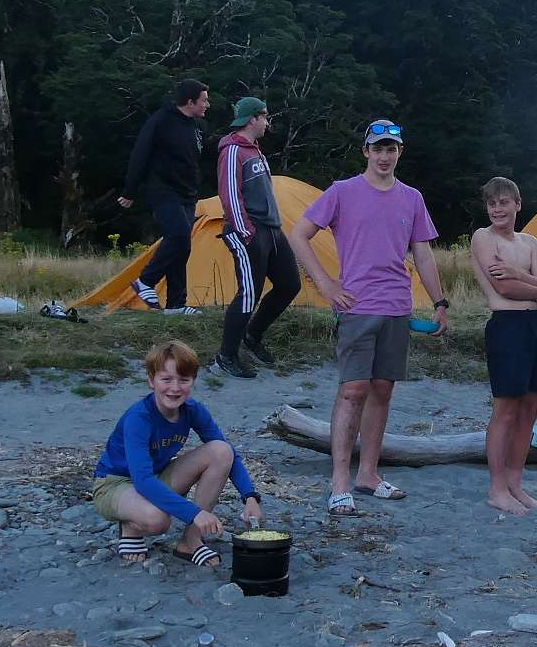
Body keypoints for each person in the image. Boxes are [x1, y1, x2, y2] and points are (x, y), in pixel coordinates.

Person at [290, 119, 447, 516]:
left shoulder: (412, 198)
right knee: (352, 390)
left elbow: (423, 253)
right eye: (378, 148)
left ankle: (369, 475)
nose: (384, 156)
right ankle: (339, 481)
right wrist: (325, 284)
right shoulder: (342, 191)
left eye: (391, 148)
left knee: (382, 390)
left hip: (397, 306)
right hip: (356, 307)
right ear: (366, 151)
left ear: (399, 152)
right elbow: (298, 234)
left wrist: (440, 302)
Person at [90, 339, 262, 567]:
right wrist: (195, 513)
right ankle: (131, 526)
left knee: (221, 450)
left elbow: (228, 452)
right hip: (114, 484)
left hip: (155, 477)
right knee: (157, 520)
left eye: (183, 379)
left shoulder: (192, 410)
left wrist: (250, 497)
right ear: (151, 380)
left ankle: (190, 541)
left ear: (193, 381)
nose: (175, 388)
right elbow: (142, 480)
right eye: (166, 379)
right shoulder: (139, 418)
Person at [469, 176, 537, 515]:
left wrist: (520, 275)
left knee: (530, 408)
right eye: (491, 204)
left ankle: (515, 484)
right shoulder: (483, 237)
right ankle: (497, 489)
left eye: (503, 202)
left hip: (535, 326)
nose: (497, 209)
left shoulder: (530, 242)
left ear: (517, 204)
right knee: (505, 409)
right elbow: (505, 289)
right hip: (506, 325)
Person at [211, 96, 301, 379]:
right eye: (264, 117)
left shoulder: (254, 150)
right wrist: (246, 231)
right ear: (252, 119)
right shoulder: (232, 151)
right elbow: (229, 194)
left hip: (272, 229)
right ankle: (226, 356)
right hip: (249, 230)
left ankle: (252, 335)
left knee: (289, 284)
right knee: (249, 293)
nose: (267, 122)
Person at [120, 79, 210, 315]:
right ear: (190, 102)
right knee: (177, 235)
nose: (207, 104)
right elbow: (140, 154)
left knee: (183, 246)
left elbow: (194, 159)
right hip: (163, 190)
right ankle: (145, 281)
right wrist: (130, 191)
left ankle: (176, 304)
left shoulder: (197, 126)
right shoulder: (161, 121)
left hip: (187, 193)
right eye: (204, 100)